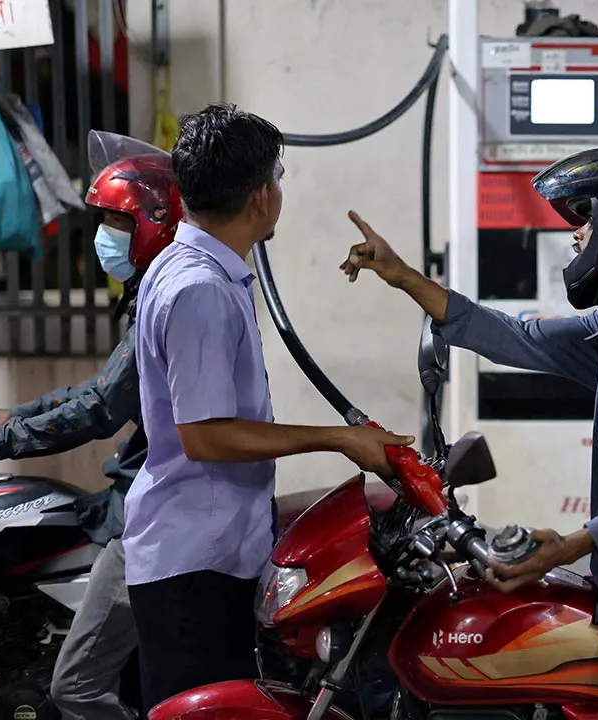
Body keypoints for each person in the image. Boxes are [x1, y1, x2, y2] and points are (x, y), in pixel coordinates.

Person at [341, 146, 598, 720]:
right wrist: (404, 277)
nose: (577, 236)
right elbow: (517, 337)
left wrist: (571, 543)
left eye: (588, 220)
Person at [124, 102, 415, 712]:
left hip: (210, 547)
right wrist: (340, 440)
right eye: (278, 177)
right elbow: (205, 436)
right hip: (194, 562)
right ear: (260, 196)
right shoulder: (199, 288)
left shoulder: (197, 270)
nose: (280, 190)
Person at [0, 139, 183, 720]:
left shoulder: (171, 294)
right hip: (159, 500)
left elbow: (100, 410)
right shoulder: (154, 291)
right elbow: (100, 391)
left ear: (157, 222)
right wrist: (13, 416)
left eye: (115, 221)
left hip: (154, 514)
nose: (104, 235)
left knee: (75, 687)